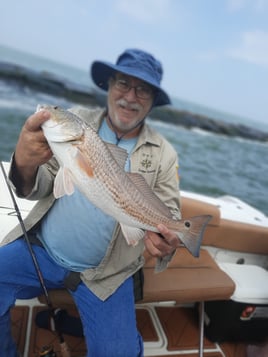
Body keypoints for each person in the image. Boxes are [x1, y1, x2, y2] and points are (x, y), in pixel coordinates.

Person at [0, 49, 181, 357]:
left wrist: (168, 239)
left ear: (152, 100)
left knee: (118, 353)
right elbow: (44, 184)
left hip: (107, 275)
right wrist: (25, 163)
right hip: (42, 251)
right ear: (109, 85)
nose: (130, 96)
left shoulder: (165, 154)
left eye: (143, 89)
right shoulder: (78, 120)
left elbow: (170, 212)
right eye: (123, 83)